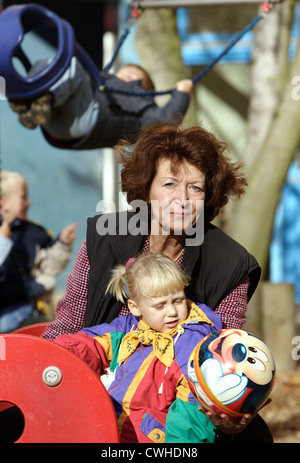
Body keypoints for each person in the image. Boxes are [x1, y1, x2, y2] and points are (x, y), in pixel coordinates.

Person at [42, 122, 272, 441]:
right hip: (96, 387)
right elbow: (66, 328)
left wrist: (226, 415)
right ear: (146, 188)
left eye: (195, 188)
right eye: (169, 184)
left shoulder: (231, 265)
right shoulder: (105, 238)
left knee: (252, 437)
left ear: (208, 198)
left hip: (178, 406)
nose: (181, 199)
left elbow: (222, 360)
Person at [54, 252, 223, 443]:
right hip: (105, 430)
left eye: (178, 300)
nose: (172, 312)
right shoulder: (128, 328)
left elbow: (191, 412)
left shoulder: (189, 344)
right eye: (160, 306)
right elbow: (90, 344)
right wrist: (56, 356)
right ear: (135, 307)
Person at [9, 57, 193, 149]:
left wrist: (183, 93)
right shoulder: (102, 82)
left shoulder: (143, 109)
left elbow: (167, 120)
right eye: (122, 73)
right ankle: (32, 103)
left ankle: (34, 98)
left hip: (86, 119)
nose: (125, 76)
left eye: (134, 76)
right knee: (48, 64)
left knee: (70, 64)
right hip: (56, 124)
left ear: (146, 90)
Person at [0, 170, 78, 333]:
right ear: (3, 203)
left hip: (27, 310)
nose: (28, 202)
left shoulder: (34, 233)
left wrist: (62, 244)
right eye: (23, 197)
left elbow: (49, 266)